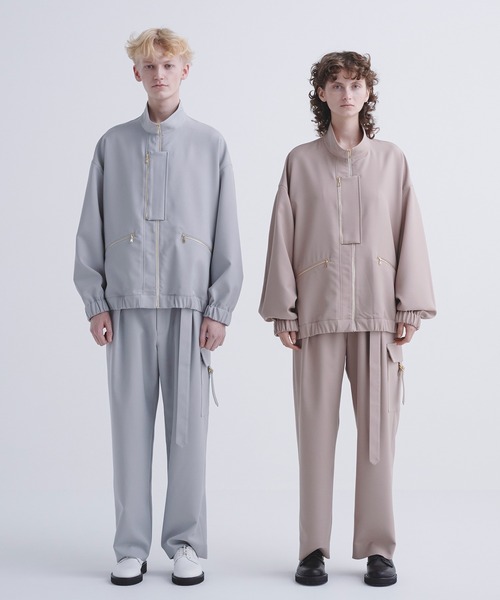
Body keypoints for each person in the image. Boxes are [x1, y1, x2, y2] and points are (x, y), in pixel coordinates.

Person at [259, 51, 435, 587]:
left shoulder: (392, 160)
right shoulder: (299, 161)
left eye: (356, 84)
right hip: (316, 316)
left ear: (368, 92)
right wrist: (283, 310)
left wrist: (410, 304)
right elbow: (282, 234)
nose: (347, 93)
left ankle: (379, 549)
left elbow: (409, 231)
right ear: (321, 94)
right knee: (314, 435)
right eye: (336, 84)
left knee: (378, 438)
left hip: (379, 314)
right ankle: (313, 548)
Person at [74, 28, 243, 587]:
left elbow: (226, 231)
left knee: (188, 434)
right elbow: (91, 226)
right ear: (137, 74)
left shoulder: (211, 144)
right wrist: (96, 302)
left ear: (184, 71)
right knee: (129, 432)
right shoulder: (112, 144)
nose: (159, 74)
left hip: (190, 309)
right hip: (125, 308)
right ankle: (131, 547)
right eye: (149, 66)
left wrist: (219, 307)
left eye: (168, 65)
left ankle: (186, 543)